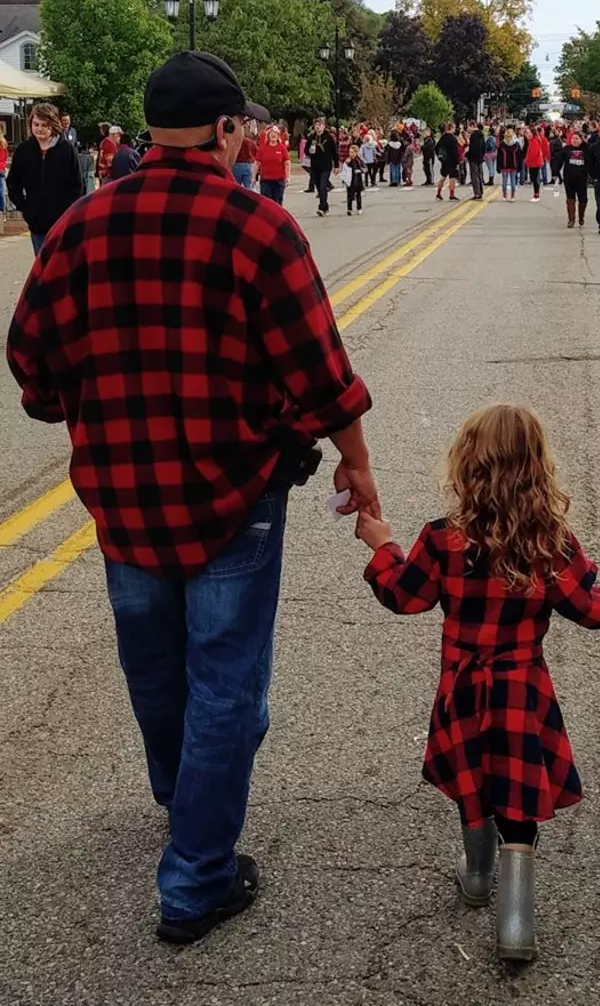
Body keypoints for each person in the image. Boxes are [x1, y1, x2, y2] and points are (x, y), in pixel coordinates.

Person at [5, 50, 377, 945]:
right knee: (226, 683)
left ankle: (185, 799)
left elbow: (29, 357)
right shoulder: (258, 228)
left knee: (156, 666)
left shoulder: (82, 226)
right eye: (240, 122)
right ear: (223, 130)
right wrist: (357, 464)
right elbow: (322, 374)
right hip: (233, 491)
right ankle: (197, 876)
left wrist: (77, 409)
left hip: (123, 492)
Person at [355, 404, 600, 962]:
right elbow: (588, 606)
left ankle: (475, 875)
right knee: (516, 790)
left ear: (467, 465)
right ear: (538, 468)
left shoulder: (443, 540)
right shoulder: (551, 542)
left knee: (472, 775)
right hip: (522, 689)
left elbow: (403, 596)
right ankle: (515, 925)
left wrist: (381, 545)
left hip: (462, 689)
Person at [7, 103, 84, 255]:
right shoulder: (24, 150)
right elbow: (13, 182)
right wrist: (23, 206)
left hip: (61, 221)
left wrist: (68, 210)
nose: (39, 129)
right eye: (36, 124)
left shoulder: (66, 150)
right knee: (41, 267)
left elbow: (76, 185)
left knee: (61, 265)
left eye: (44, 125)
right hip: (36, 222)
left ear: (53, 125)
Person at [255, 124, 291, 205]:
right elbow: (257, 163)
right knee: (266, 203)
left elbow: (287, 163)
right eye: (271, 134)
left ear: (278, 135)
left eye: (275, 134)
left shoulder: (282, 148)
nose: (273, 135)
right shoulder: (263, 148)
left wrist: (287, 177)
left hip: (279, 180)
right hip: (266, 180)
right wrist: (253, 177)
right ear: (268, 136)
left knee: (277, 202)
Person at [561, 130, 589, 227]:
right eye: (573, 138)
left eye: (577, 138)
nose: (574, 140)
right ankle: (571, 219)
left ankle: (581, 217)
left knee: (583, 199)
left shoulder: (586, 149)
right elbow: (559, 160)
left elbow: (592, 162)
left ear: (581, 139)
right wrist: (555, 172)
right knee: (570, 198)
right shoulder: (566, 149)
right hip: (569, 178)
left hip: (582, 179)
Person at [435, 123, 460, 201]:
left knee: (443, 176)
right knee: (452, 178)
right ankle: (451, 195)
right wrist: (457, 161)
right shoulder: (453, 139)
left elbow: (436, 147)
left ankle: (438, 193)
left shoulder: (443, 137)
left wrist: (440, 157)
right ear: (452, 128)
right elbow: (455, 151)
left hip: (444, 160)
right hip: (452, 161)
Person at [497, 127, 521, 203]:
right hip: (513, 165)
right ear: (513, 135)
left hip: (504, 166)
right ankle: (512, 196)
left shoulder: (501, 144)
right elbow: (519, 156)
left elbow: (499, 157)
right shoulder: (516, 145)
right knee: (513, 181)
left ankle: (504, 196)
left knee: (504, 181)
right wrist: (519, 166)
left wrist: (498, 166)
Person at [522, 126, 546, 202]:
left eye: (528, 133)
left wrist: (527, 160)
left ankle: (536, 195)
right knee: (534, 179)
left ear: (532, 133)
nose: (527, 135)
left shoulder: (534, 141)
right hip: (534, 162)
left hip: (534, 163)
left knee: (535, 179)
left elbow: (533, 153)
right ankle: (536, 194)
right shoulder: (533, 140)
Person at [342, 143, 366, 215]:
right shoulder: (347, 161)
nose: (351, 154)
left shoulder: (359, 160)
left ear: (356, 152)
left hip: (357, 180)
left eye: (352, 152)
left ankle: (359, 208)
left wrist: (360, 171)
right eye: (349, 152)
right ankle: (349, 209)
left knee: (358, 194)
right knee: (349, 195)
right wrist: (344, 179)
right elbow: (344, 170)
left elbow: (365, 168)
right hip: (350, 180)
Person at [467, 123, 486, 200]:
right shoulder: (481, 135)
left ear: (473, 127)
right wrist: (482, 155)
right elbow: (484, 147)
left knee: (474, 176)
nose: (468, 129)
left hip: (473, 158)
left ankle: (477, 193)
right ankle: (480, 191)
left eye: (469, 127)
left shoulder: (474, 136)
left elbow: (472, 148)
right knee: (479, 175)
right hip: (480, 157)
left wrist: (467, 154)